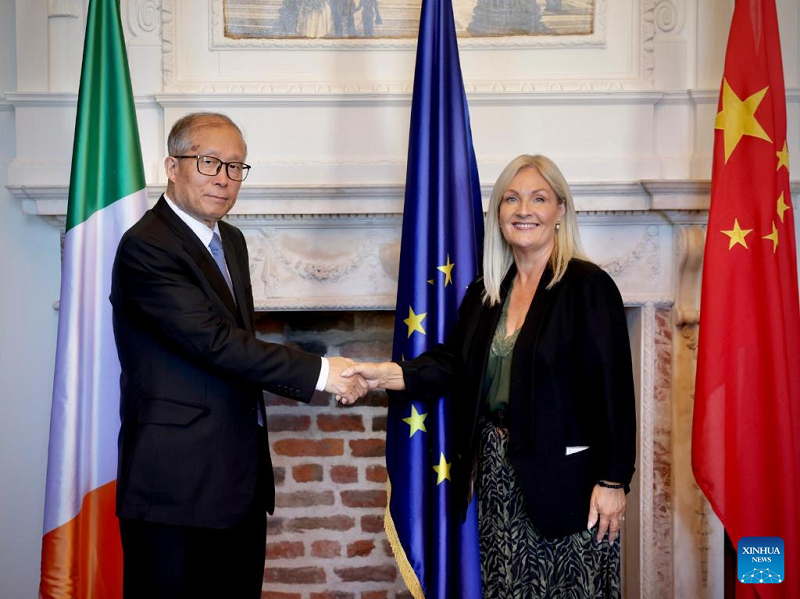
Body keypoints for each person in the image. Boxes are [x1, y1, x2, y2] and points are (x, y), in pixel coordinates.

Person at [344, 154, 636, 597]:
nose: (524, 210)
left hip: (567, 487)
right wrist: (383, 374)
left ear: (560, 210)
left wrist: (614, 480)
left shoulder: (588, 286)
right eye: (511, 199)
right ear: (498, 212)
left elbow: (614, 391)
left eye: (539, 199)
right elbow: (453, 364)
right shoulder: (487, 291)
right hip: (496, 479)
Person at [110, 112, 367, 599]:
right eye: (209, 162)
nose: (223, 178)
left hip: (237, 482)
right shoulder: (146, 246)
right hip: (174, 486)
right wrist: (322, 372)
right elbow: (214, 342)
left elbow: (234, 345)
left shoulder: (230, 240)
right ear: (172, 166)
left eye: (235, 167)